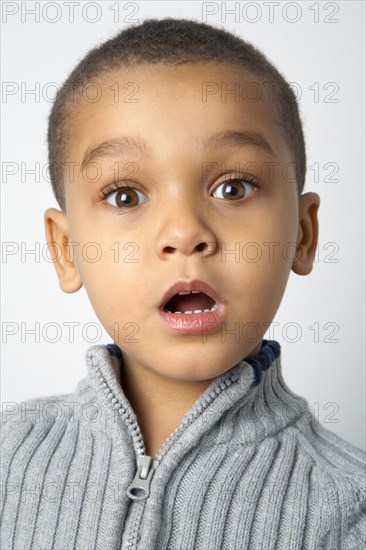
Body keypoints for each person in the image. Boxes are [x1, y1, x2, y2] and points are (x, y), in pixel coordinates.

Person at [1, 17, 365, 550]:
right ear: (65, 249)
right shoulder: (8, 457)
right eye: (125, 195)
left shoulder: (349, 511)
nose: (184, 232)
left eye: (233, 187)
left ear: (303, 235)